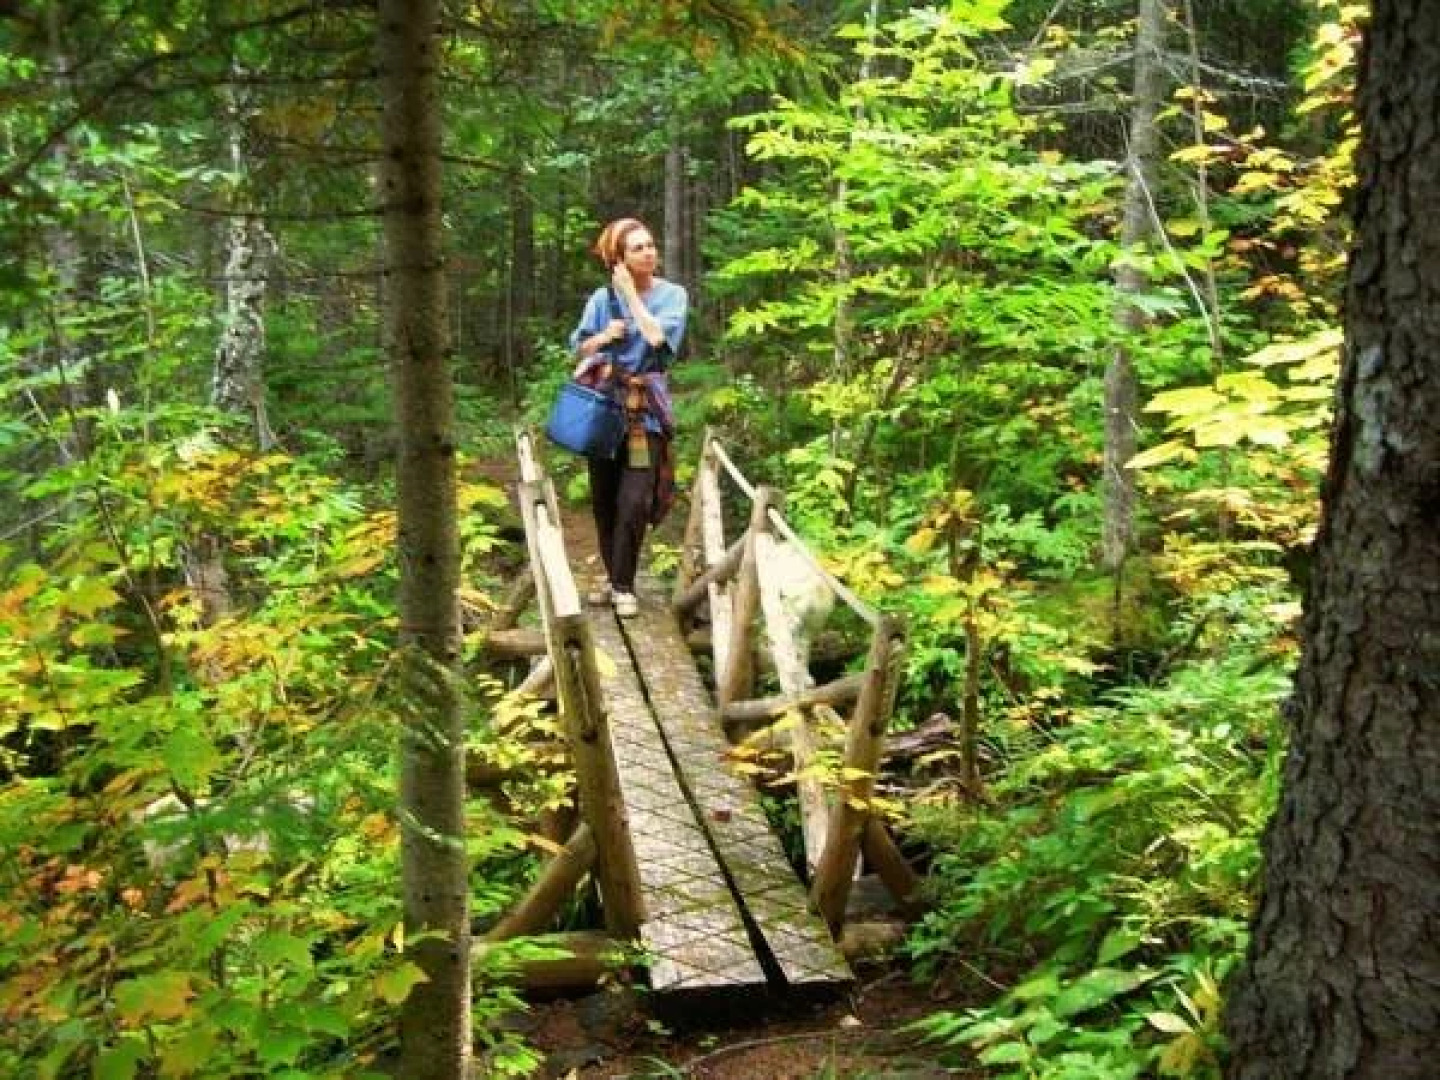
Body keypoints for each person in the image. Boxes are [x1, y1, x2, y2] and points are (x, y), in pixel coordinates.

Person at [569, 217, 688, 618]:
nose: (649, 252)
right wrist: (604, 336)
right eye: (638, 248)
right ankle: (614, 578)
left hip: (644, 414)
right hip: (603, 410)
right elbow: (579, 348)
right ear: (617, 258)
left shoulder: (672, 296)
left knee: (634, 501)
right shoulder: (601, 299)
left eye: (650, 245)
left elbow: (657, 339)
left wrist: (631, 297)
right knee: (603, 500)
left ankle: (622, 587)